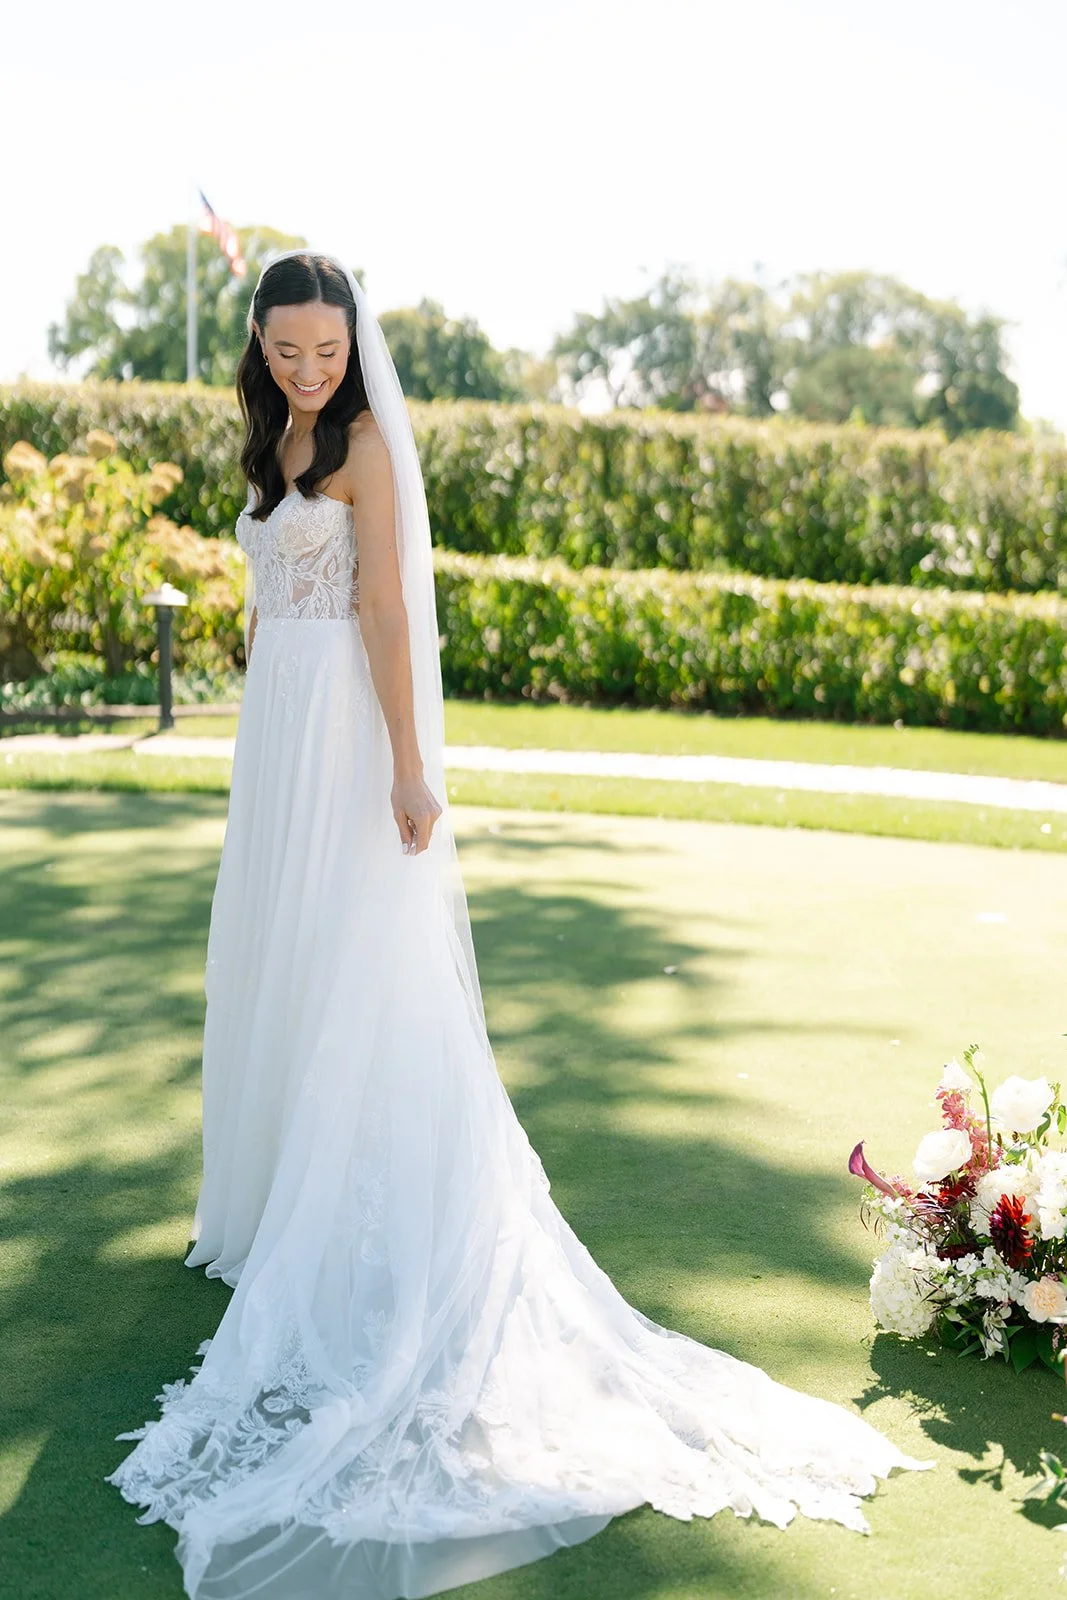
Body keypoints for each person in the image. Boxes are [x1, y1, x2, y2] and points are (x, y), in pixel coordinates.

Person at [108, 251, 929, 1600]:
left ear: (352, 343)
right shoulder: (281, 436)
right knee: (276, 957)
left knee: (355, 966)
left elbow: (381, 607)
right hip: (278, 733)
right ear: (257, 344)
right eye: (286, 350)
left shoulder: (364, 442)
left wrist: (407, 766)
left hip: (350, 731)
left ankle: (349, 1215)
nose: (308, 368)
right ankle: (259, 1206)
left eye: (327, 349)